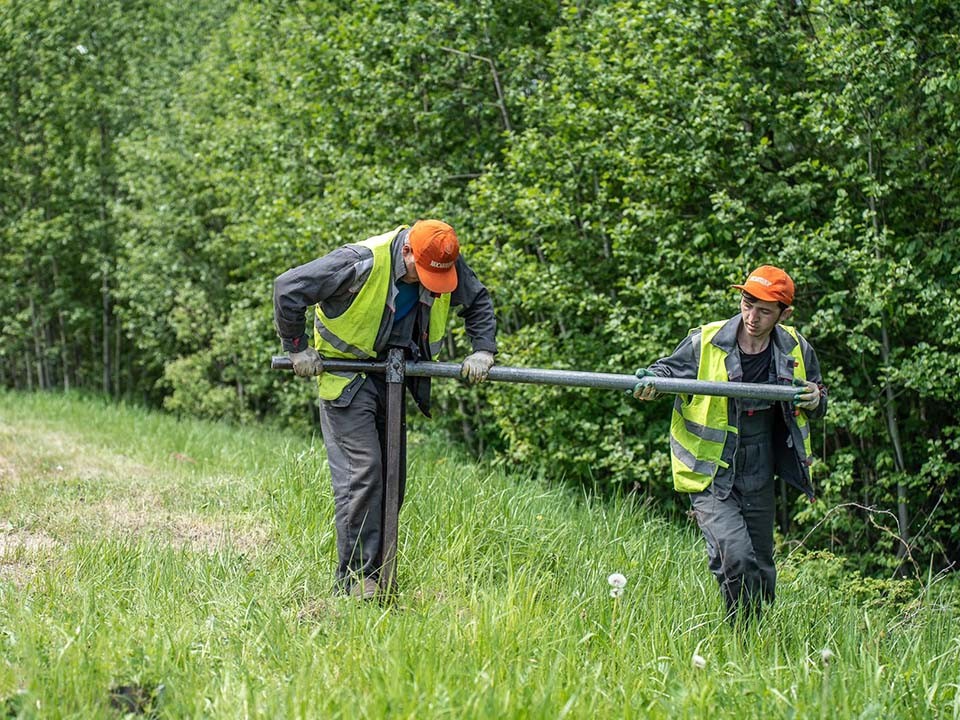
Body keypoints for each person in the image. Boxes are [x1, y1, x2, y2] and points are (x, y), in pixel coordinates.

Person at [273, 220, 497, 599]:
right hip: (347, 378)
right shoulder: (360, 262)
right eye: (421, 273)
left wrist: (483, 349)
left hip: (393, 378)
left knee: (393, 477)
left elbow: (477, 301)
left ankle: (379, 577)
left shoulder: (442, 260)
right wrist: (296, 348)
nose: (429, 283)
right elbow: (288, 287)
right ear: (408, 250)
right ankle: (355, 581)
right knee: (365, 472)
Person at [633, 265, 826, 623]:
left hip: (760, 465)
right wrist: (651, 382)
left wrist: (815, 398)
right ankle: (740, 632)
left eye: (764, 310)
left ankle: (755, 635)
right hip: (710, 468)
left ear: (784, 314)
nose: (751, 316)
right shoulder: (705, 341)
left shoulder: (796, 347)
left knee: (761, 566)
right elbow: (665, 372)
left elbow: (817, 395)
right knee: (734, 556)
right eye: (746, 303)